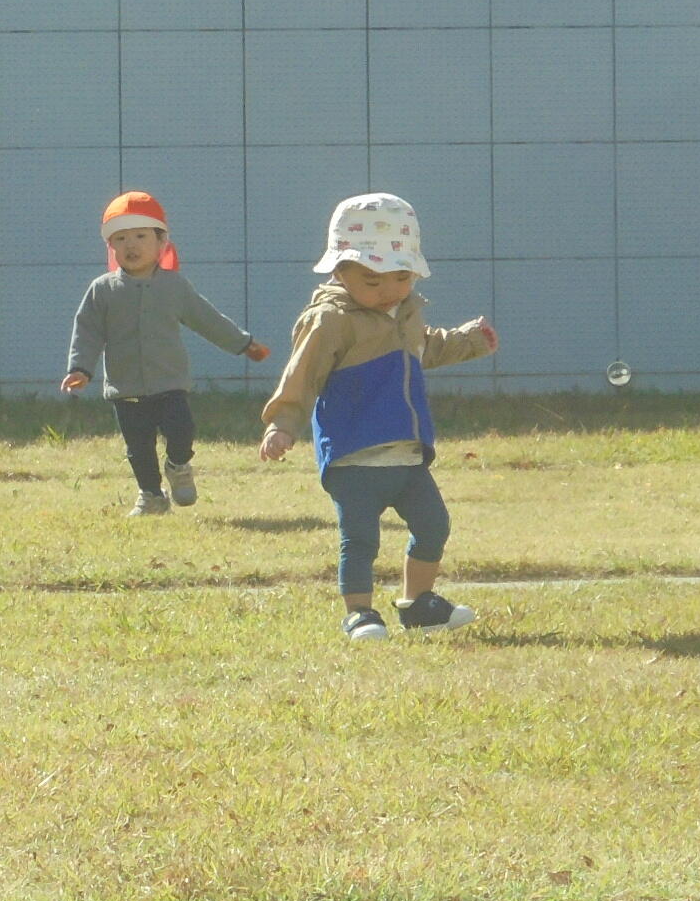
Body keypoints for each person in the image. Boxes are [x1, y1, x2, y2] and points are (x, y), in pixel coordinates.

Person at [258, 193, 497, 640]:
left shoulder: (404, 314)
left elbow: (428, 347)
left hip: (407, 454)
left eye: (400, 276)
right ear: (339, 270)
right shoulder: (330, 320)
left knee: (433, 525)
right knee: (361, 539)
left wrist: (471, 340)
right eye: (371, 280)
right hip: (354, 456)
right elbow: (302, 374)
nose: (387, 289)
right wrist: (283, 423)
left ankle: (418, 604)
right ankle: (360, 613)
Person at [62, 191, 271, 516]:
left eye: (141, 236)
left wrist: (243, 343)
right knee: (139, 448)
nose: (131, 245)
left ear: (162, 243)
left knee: (181, 430)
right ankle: (151, 496)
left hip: (169, 383)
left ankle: (178, 465)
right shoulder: (102, 290)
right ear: (112, 247)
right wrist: (80, 369)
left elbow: (207, 319)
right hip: (126, 387)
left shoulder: (174, 287)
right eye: (121, 238)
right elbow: (87, 331)